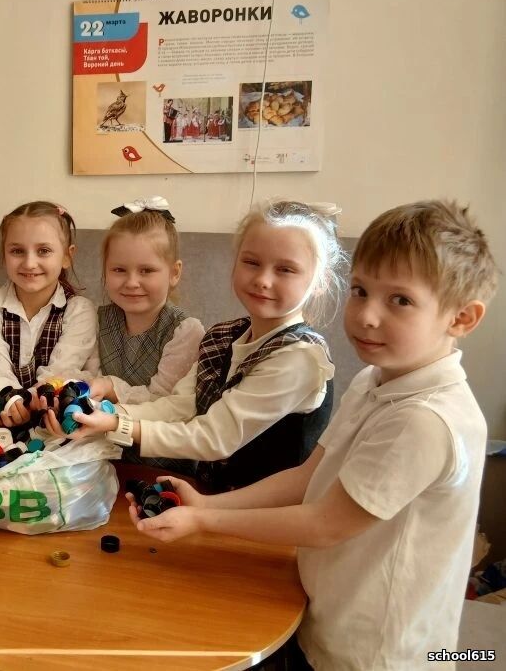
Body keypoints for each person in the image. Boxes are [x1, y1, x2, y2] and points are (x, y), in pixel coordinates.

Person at [129, 200, 498, 671]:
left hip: (377, 652)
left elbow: (325, 524)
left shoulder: (425, 420)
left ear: (461, 318)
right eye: (361, 291)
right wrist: (207, 505)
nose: (366, 316)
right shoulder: (374, 380)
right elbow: (309, 476)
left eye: (400, 301)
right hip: (325, 614)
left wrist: (205, 522)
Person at [55, 200, 344, 492]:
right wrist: (102, 414)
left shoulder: (300, 357)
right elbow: (181, 405)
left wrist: (117, 425)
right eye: (252, 263)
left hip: (265, 511)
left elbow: (213, 437)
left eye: (285, 269)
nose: (263, 280)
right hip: (209, 494)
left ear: (320, 281)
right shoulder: (224, 337)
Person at [0, 201, 96, 433]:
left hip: (59, 425)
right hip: (1, 419)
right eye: (17, 251)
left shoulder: (80, 311)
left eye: (43, 251)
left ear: (67, 256)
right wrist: (10, 402)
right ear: (4, 255)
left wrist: (25, 402)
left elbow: (59, 375)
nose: (29, 263)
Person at [88, 198, 203, 405]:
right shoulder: (96, 320)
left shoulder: (185, 332)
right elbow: (88, 378)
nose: (132, 283)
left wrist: (110, 387)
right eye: (119, 270)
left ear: (174, 273)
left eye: (146, 270)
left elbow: (162, 400)